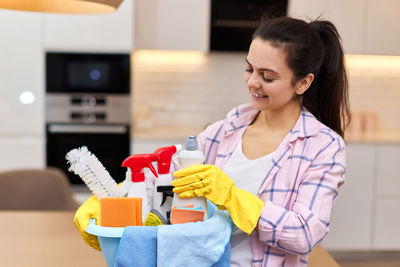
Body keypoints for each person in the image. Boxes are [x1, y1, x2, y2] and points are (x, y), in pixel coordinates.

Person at [74, 16, 349, 267]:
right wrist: (111, 200)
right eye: (249, 69)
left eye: (268, 76)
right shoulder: (222, 132)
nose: (253, 82)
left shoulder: (322, 146)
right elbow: (163, 178)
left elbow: (305, 234)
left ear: (303, 83)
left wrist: (234, 198)